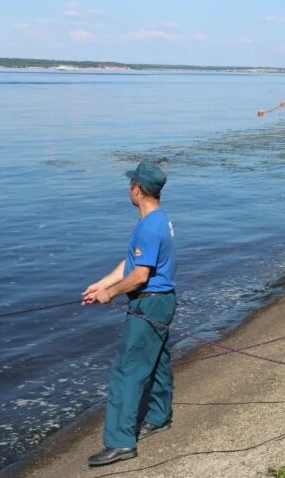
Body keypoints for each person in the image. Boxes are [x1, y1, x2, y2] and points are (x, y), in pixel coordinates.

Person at [83, 160, 177, 466]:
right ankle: (160, 416)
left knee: (127, 371)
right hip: (161, 301)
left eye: (130, 184)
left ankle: (120, 442)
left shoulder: (149, 227)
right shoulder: (159, 219)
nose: (129, 188)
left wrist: (111, 294)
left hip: (150, 302)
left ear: (137, 189)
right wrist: (102, 284)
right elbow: (131, 265)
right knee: (158, 361)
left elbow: (140, 275)